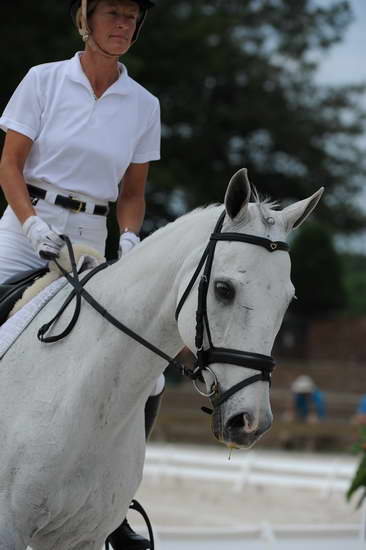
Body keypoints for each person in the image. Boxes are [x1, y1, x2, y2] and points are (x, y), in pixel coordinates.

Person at [0, 1, 163, 548]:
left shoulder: (143, 104)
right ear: (86, 19)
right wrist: (30, 227)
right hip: (26, 227)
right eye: (113, 13)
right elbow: (10, 165)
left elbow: (133, 193)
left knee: (144, 370)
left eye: (131, 17)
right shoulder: (43, 80)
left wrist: (132, 239)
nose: (123, 25)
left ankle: (111, 507)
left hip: (92, 238)